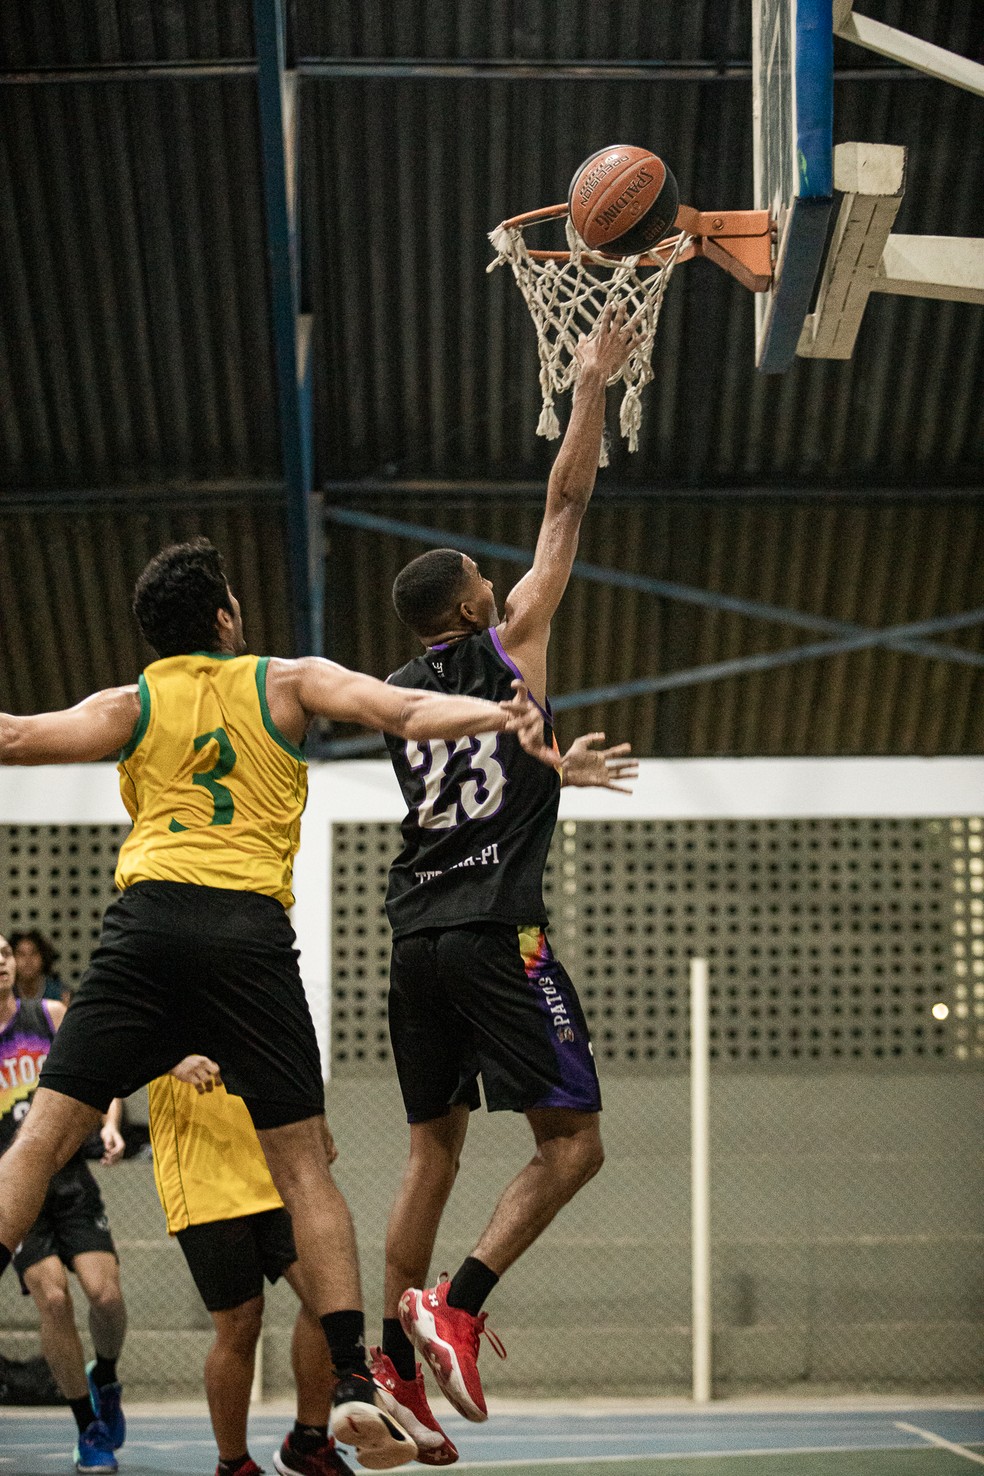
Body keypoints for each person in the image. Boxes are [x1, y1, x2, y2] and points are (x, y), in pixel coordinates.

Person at [0, 537, 557, 1471]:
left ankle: (328, 1398)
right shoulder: (287, 681)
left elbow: (13, 736)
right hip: (248, 936)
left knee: (43, 1136)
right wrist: (501, 714)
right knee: (305, 1168)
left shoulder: (132, 703)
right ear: (224, 615)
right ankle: (347, 1380)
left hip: (145, 925)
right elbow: (407, 708)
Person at [372, 305, 640, 1448]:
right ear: (475, 609)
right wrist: (590, 385)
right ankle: (458, 1309)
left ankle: (390, 1361)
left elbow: (490, 769)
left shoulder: (400, 699)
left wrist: (549, 770)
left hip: (413, 939)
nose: (502, 579)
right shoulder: (514, 635)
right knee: (572, 1145)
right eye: (488, 578)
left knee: (433, 1149)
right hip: (494, 934)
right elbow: (565, 504)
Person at [148, 1052, 353, 1476]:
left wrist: (315, 1112)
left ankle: (308, 1444)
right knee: (240, 1323)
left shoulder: (264, 984)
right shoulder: (161, 984)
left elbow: (287, 1041)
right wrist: (166, 1059)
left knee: (327, 1302)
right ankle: (234, 1464)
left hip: (273, 1152)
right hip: (201, 1162)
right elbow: (111, 1033)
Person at [0, 931, 128, 1474]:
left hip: (70, 1177)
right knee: (53, 1300)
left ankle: (108, 1375)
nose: (0, 964)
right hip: (13, 1190)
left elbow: (102, 1066)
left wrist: (111, 1124)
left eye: (3, 954)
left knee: (105, 1295)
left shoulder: (49, 1014)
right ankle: (87, 1427)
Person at [10, 930, 71, 1005]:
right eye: (21, 954)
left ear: (43, 957)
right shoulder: (5, 992)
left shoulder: (59, 992)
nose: (28, 960)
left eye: (34, 953)